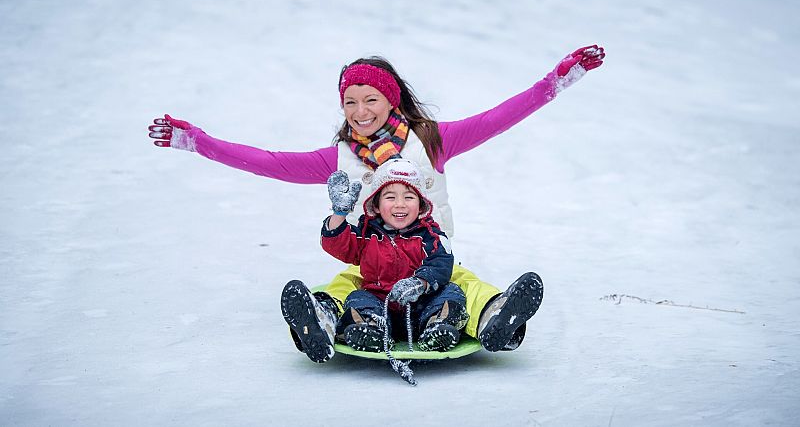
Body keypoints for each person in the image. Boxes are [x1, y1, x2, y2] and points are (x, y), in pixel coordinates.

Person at [148, 45, 604, 357]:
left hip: (431, 255)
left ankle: (495, 320)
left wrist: (561, 79)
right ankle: (321, 322)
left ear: (392, 102)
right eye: (350, 101)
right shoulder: (339, 159)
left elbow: (502, 115)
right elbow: (268, 161)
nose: (360, 111)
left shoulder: (431, 140)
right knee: (344, 286)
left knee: (464, 286)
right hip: (368, 259)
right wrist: (197, 142)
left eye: (370, 100)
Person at [282, 159, 470, 362]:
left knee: (452, 292)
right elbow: (337, 244)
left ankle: (438, 328)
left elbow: (441, 263)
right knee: (357, 298)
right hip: (379, 303)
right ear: (377, 205)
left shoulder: (430, 234)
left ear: (421, 204)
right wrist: (339, 214)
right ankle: (371, 330)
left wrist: (420, 283)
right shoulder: (366, 234)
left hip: (421, 306)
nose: (400, 204)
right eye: (390, 197)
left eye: (409, 197)